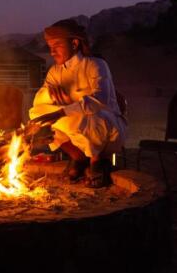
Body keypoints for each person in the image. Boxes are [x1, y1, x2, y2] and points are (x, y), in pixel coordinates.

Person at [28, 19, 127, 187]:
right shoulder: (54, 71)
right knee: (37, 114)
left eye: (57, 45)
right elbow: (39, 101)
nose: (52, 51)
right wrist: (58, 99)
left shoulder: (96, 64)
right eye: (49, 46)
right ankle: (78, 157)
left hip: (108, 130)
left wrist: (64, 108)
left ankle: (97, 161)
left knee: (95, 114)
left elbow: (99, 101)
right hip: (79, 122)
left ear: (74, 43)